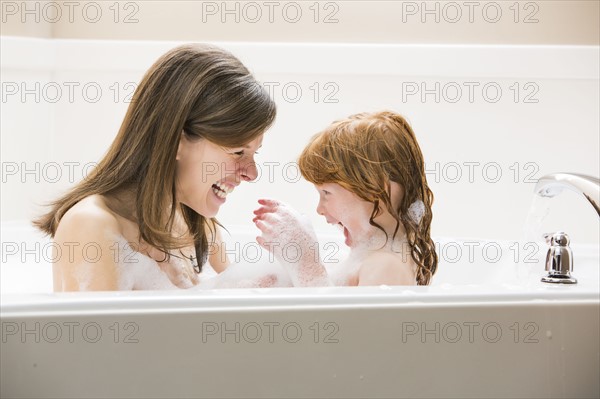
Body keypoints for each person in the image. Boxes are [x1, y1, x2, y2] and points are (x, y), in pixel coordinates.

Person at [34, 44, 276, 291]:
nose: (252, 173)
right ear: (177, 143)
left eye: (254, 154)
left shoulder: (199, 226)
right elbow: (97, 331)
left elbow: (241, 315)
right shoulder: (92, 227)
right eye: (238, 152)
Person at [253, 111, 438, 286]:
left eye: (326, 193)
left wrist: (307, 268)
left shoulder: (385, 267)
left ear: (374, 190)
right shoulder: (369, 257)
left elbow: (339, 320)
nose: (319, 208)